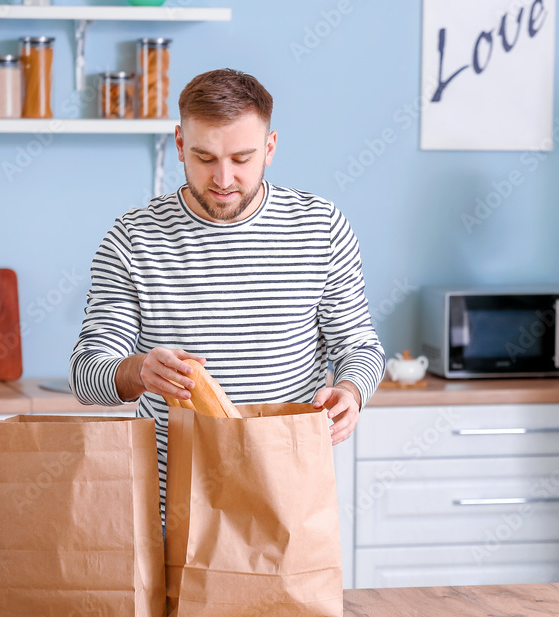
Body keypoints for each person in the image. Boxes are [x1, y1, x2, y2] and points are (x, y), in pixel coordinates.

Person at [70, 69, 385, 511]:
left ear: (270, 148)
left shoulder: (321, 228)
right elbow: (86, 374)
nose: (222, 179)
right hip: (171, 505)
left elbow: (360, 347)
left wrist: (351, 392)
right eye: (204, 157)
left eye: (241, 159)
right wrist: (139, 371)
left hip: (287, 497)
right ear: (179, 144)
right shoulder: (133, 239)